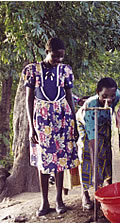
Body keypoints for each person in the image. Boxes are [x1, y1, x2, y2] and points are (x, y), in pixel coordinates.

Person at [24, 37, 79, 216]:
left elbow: (69, 96)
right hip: (42, 119)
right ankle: (44, 202)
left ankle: (59, 200)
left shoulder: (65, 70)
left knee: (60, 160)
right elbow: (29, 99)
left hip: (62, 117)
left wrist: (74, 123)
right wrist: (32, 127)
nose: (58, 60)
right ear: (47, 52)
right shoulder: (32, 70)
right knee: (44, 160)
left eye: (61, 57)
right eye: (55, 56)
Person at [76, 77, 120, 210]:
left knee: (107, 152)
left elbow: (112, 104)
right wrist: (96, 171)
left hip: (103, 123)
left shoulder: (116, 96)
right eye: (104, 97)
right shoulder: (90, 106)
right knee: (87, 156)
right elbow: (92, 141)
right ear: (97, 93)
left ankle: (108, 190)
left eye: (111, 96)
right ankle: (85, 194)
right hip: (86, 126)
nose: (109, 100)